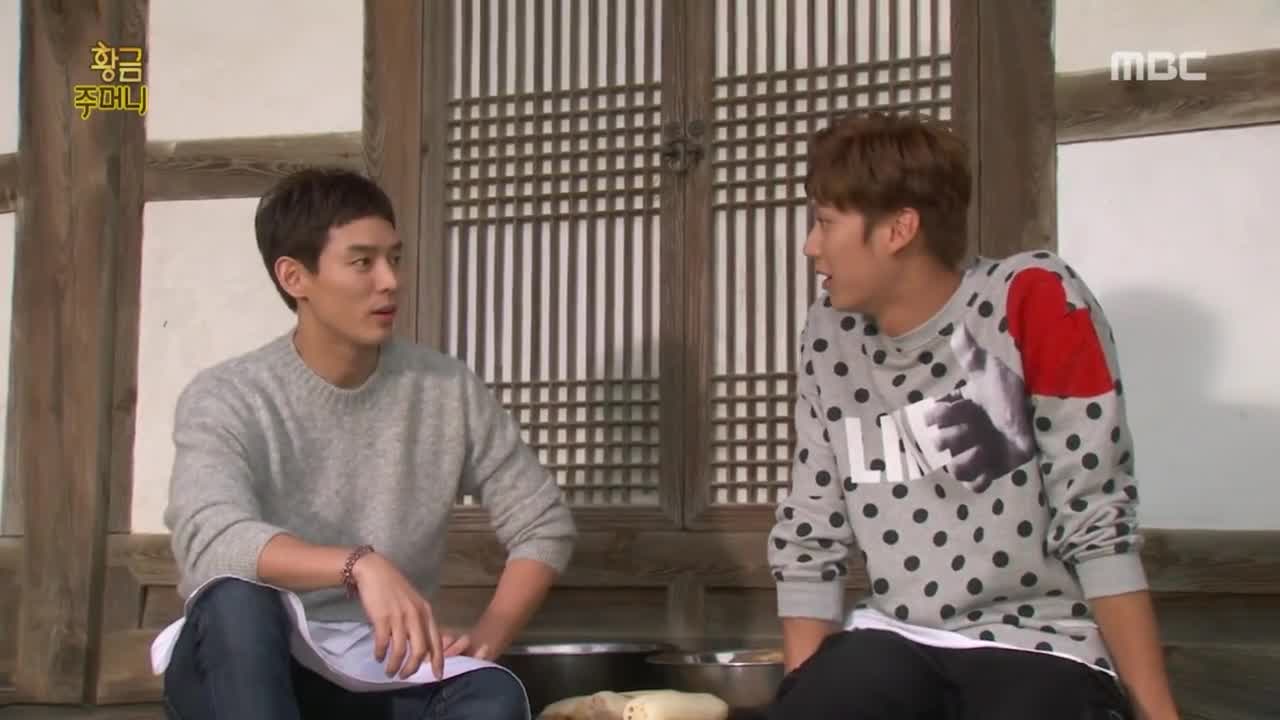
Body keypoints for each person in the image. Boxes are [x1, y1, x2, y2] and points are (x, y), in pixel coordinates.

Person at [763, 113, 1181, 719]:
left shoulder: (1033, 298)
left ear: (899, 229)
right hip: (892, 639)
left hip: (1040, 641)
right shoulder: (831, 332)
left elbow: (1095, 515)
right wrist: (801, 698)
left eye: (825, 222)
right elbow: (811, 530)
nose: (811, 246)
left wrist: (1159, 713)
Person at [157, 168, 577, 720]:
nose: (390, 281)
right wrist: (358, 565)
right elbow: (212, 539)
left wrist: (488, 637)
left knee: (492, 696)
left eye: (394, 258)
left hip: (376, 665)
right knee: (238, 600)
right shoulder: (229, 395)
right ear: (294, 277)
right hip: (247, 661)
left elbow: (543, 523)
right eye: (363, 262)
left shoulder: (444, 389)